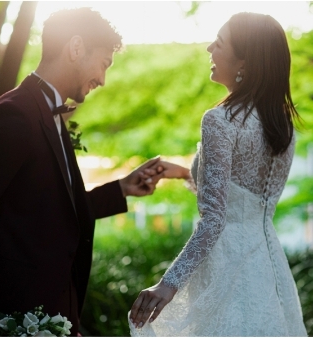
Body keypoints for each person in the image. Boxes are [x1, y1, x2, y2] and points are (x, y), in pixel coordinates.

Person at [0, 7, 162, 337]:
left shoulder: (51, 116)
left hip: (54, 313)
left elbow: (54, 210)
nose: (103, 80)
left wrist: (121, 188)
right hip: (7, 317)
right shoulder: (14, 116)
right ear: (76, 48)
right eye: (104, 64)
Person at [129, 12, 307, 336]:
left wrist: (168, 285)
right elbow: (247, 199)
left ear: (245, 63)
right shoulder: (284, 127)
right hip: (268, 269)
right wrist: (185, 172)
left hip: (224, 267)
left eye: (220, 43)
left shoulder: (219, 120)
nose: (209, 48)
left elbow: (216, 219)